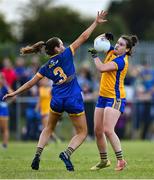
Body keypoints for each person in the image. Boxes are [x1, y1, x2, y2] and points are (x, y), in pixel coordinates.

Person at [3, 10, 107, 171]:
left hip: (57, 99)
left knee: (48, 128)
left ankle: (37, 154)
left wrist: (14, 93)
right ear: (58, 48)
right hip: (73, 98)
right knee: (82, 132)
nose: (63, 45)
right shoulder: (66, 54)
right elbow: (84, 37)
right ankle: (66, 153)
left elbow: (31, 83)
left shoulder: (45, 67)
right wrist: (95, 22)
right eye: (61, 44)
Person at [88, 33, 138, 171]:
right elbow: (98, 42)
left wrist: (94, 56)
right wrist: (104, 35)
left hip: (115, 98)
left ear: (127, 49)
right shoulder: (112, 50)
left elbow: (101, 68)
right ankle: (104, 160)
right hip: (102, 97)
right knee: (97, 131)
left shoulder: (122, 61)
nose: (117, 45)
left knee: (108, 130)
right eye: (117, 42)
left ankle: (121, 161)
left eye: (121, 44)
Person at [0, 73, 13, 148]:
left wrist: (7, 103)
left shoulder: (5, 87)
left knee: (4, 128)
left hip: (3, 109)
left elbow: (13, 95)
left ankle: (5, 144)